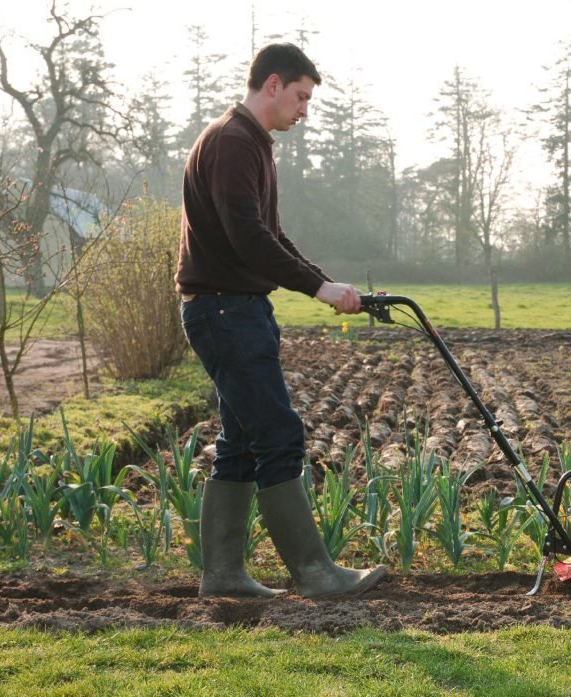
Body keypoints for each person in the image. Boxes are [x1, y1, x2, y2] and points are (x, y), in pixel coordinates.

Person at [175, 43, 387, 599]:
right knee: (277, 434)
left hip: (236, 307)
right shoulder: (232, 143)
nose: (304, 110)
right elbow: (248, 236)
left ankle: (222, 575)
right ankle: (315, 574)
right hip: (224, 309)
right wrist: (319, 287)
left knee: (242, 442)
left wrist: (328, 283)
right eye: (300, 96)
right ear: (272, 84)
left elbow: (270, 235)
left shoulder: (251, 145)